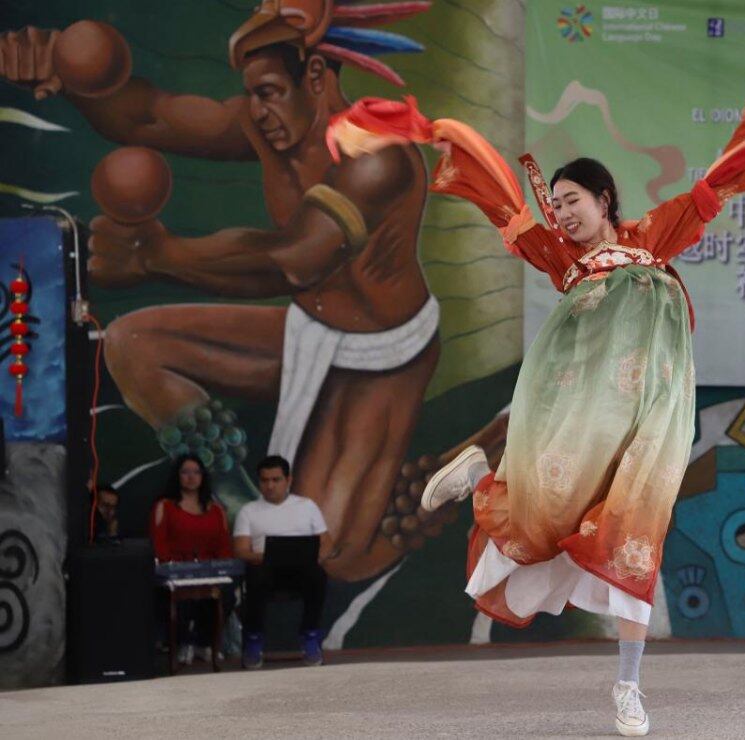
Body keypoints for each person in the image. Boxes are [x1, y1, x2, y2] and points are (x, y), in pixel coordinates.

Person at [327, 82, 745, 735]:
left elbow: (714, 188)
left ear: (604, 199)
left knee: (634, 538)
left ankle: (629, 687)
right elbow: (502, 204)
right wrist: (444, 138)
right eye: (555, 204)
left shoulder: (652, 236)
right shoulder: (560, 257)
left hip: (649, 409)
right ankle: (482, 476)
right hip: (584, 401)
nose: (561, 214)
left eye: (572, 201)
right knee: (541, 521)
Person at [0, 1, 438, 581]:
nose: (257, 111)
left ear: (315, 75)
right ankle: (235, 499)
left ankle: (470, 465)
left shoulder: (378, 158)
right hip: (305, 332)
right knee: (133, 344)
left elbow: (293, 261)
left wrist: (158, 256)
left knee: (333, 558)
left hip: (381, 358)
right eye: (251, 94)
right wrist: (65, 69)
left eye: (269, 92)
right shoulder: (269, 123)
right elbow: (147, 119)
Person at [233, 455, 332, 669]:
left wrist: (317, 558)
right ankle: (253, 641)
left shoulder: (307, 506)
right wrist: (270, 557)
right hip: (265, 571)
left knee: (318, 575)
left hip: (301, 571)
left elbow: (326, 542)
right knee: (254, 576)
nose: (270, 486)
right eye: (265, 480)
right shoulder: (248, 511)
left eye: (276, 480)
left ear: (288, 480)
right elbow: (241, 550)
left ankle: (310, 636)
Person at [150, 455, 234, 666]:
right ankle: (183, 643)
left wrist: (219, 570)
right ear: (177, 476)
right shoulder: (164, 506)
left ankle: (204, 644)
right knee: (171, 598)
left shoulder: (216, 510)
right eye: (185, 472)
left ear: (203, 476)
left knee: (227, 594)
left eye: (196, 472)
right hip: (175, 573)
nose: (191, 477)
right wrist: (173, 567)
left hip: (211, 572)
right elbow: (159, 543)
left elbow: (224, 546)